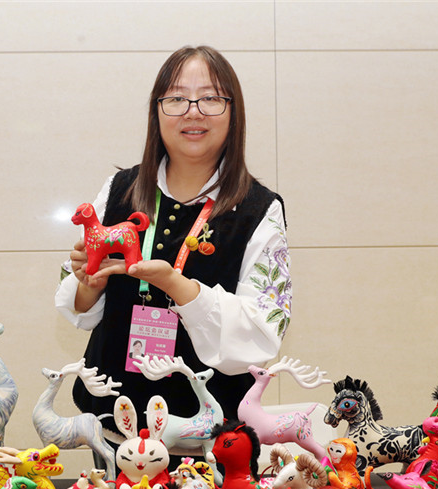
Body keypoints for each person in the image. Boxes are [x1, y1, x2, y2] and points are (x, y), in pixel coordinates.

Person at [55, 45, 291, 432]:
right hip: (115, 424)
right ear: (157, 111)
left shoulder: (259, 209)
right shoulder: (119, 189)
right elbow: (77, 306)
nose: (193, 111)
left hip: (212, 436)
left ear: (233, 113)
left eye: (210, 98)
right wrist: (89, 284)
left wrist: (175, 284)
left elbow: (261, 333)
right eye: (177, 98)